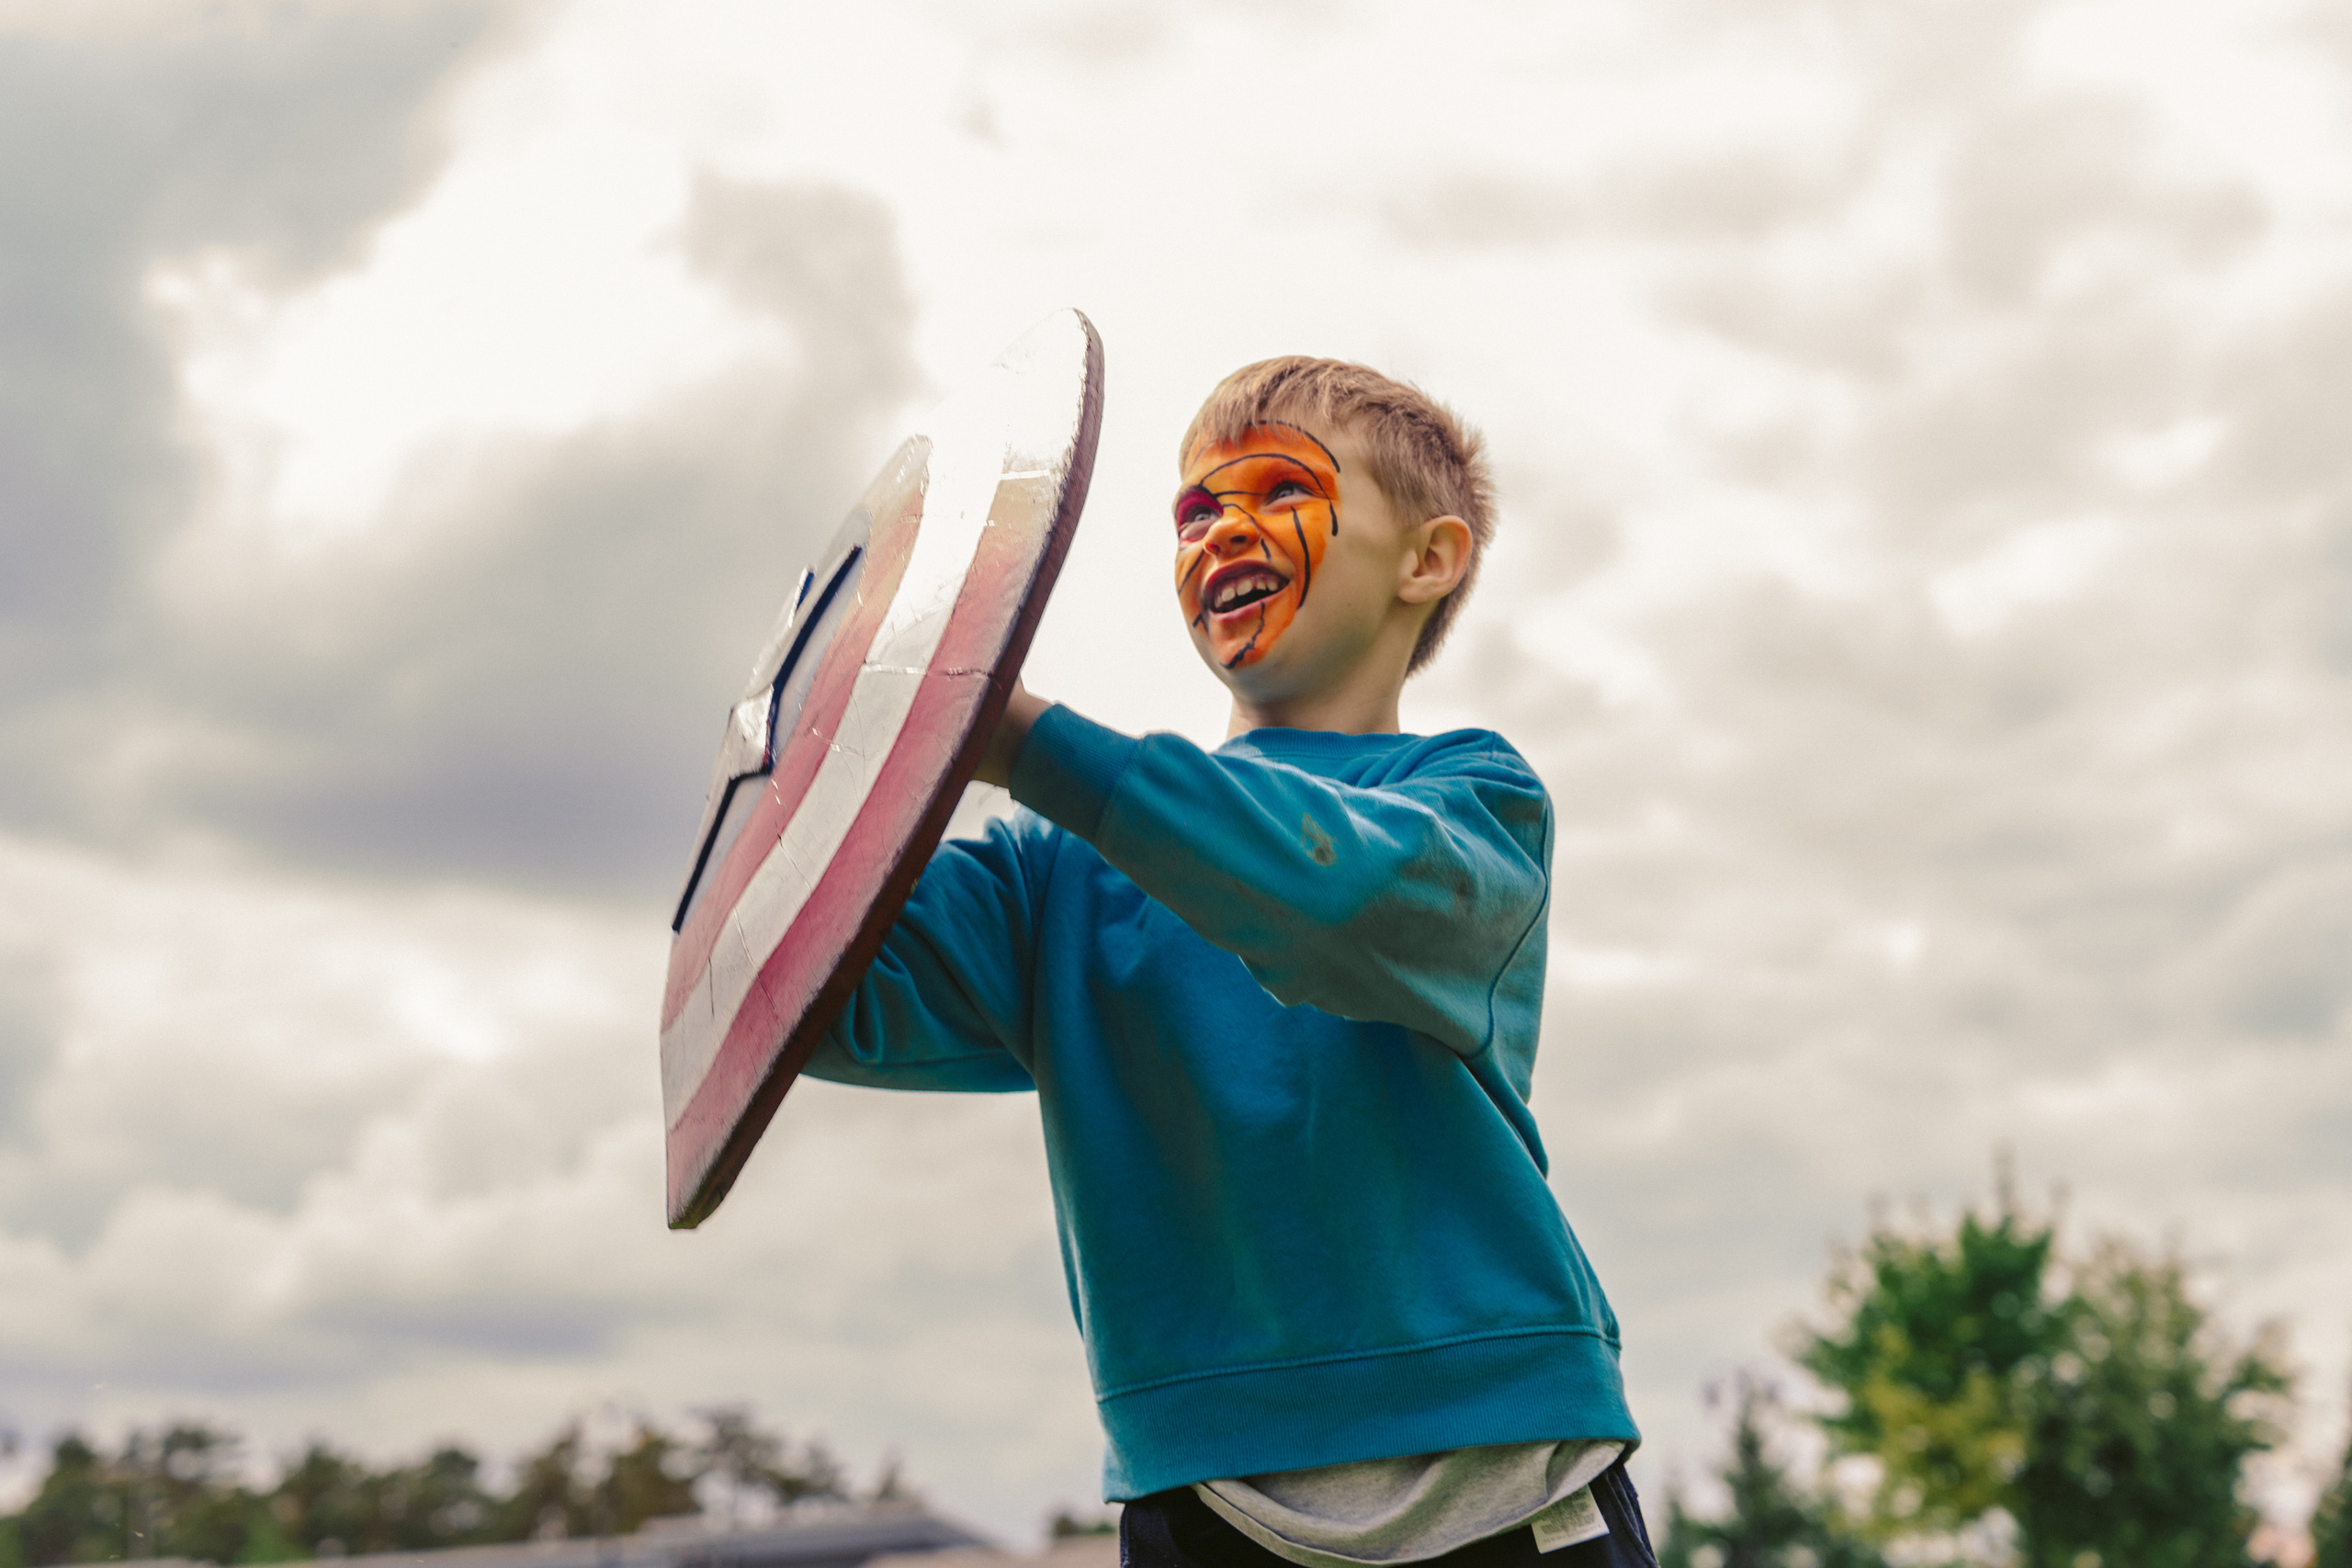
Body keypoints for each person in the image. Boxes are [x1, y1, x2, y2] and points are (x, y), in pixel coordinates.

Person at [804, 357, 1652, 1566]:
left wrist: (1025, 741)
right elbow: (816, 996)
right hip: (1204, 1498)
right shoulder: (1052, 872)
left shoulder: (1474, 801)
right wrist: (849, 747)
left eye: (1277, 491)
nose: (1220, 533)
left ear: (1427, 560)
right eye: (1195, 512)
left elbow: (1326, 898)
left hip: (1505, 1478)